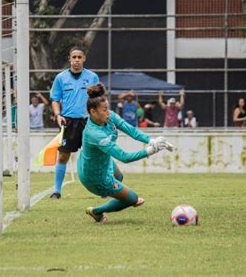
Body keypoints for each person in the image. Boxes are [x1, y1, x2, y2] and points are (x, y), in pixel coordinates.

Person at [78, 83, 173, 223]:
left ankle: (114, 193)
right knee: (132, 199)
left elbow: (132, 131)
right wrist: (152, 150)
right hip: (94, 176)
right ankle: (96, 211)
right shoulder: (94, 133)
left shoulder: (109, 117)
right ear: (93, 112)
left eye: (108, 108)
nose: (108, 112)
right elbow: (124, 157)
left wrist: (151, 140)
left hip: (99, 161)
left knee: (119, 176)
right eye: (104, 110)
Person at [49, 46, 99, 199]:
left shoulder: (92, 77)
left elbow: (97, 100)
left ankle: (104, 188)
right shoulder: (61, 78)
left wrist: (98, 118)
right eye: (74, 57)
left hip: (88, 121)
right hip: (68, 122)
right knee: (63, 156)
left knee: (96, 155)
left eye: (79, 57)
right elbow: (55, 100)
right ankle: (57, 191)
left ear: (84, 59)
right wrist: (58, 115)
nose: (76, 60)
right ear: (69, 58)